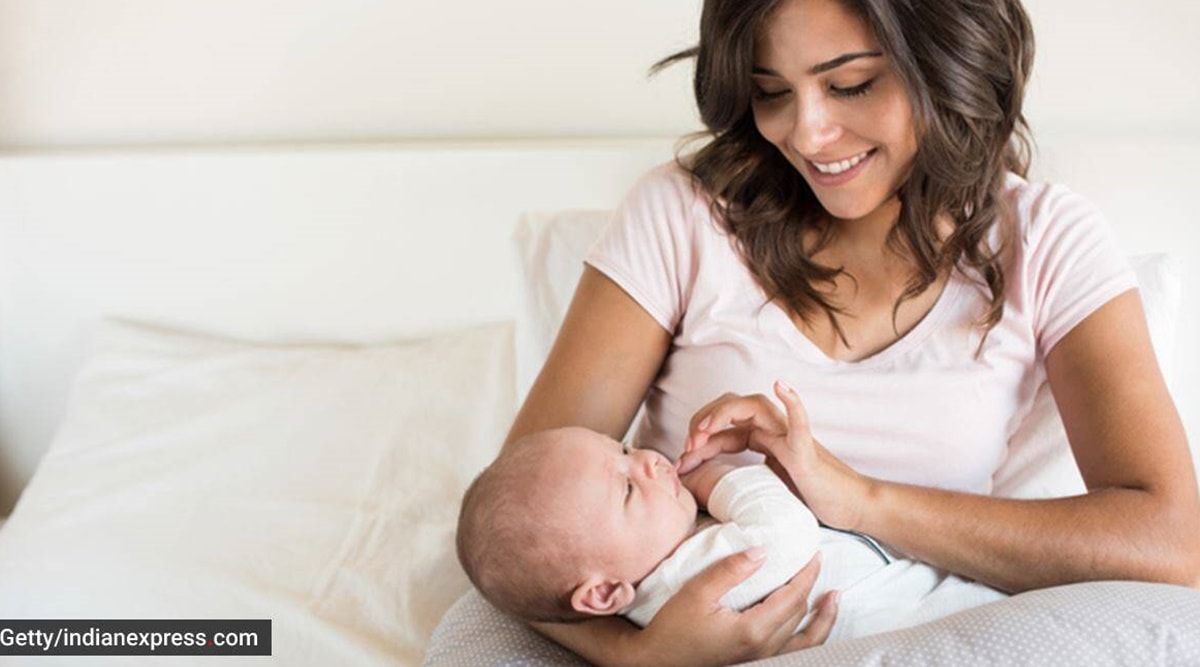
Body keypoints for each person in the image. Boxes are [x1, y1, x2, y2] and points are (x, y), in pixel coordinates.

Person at [499, 0, 1200, 664]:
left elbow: (1172, 542)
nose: (805, 133)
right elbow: (514, 535)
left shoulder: (1046, 242)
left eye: (851, 84)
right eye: (770, 91)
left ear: (946, 63)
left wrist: (856, 497)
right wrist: (643, 655)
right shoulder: (681, 215)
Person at [457, 394, 1006, 642]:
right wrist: (714, 478)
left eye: (622, 449)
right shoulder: (676, 585)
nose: (648, 461)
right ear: (603, 595)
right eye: (627, 488)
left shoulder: (658, 558)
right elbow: (782, 537)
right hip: (932, 615)